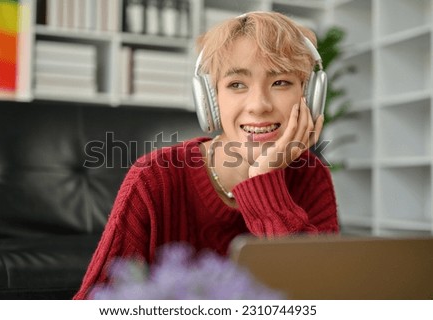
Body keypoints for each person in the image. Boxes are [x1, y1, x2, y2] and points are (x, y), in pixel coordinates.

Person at [73, 11, 338, 300]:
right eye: (237, 84)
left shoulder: (310, 174)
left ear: (309, 96)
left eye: (281, 82)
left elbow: (320, 298)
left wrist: (266, 180)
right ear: (210, 101)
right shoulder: (153, 177)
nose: (259, 105)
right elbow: (96, 303)